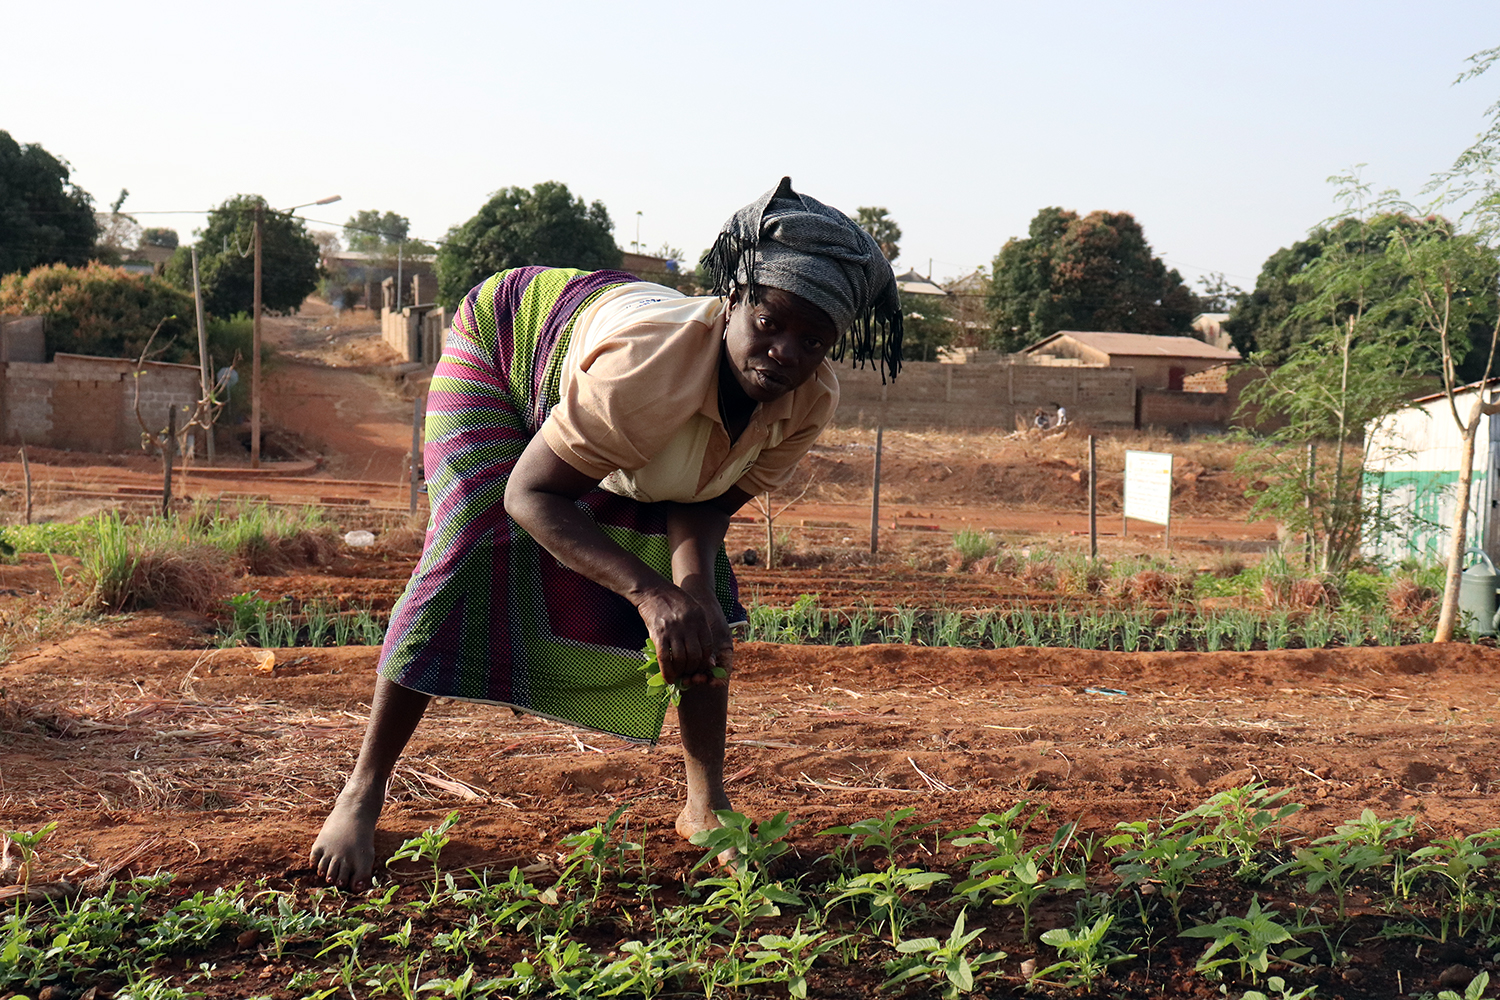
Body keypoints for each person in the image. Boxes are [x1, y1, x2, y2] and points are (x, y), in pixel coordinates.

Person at [310, 178, 903, 889]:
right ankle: (362, 789)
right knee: (474, 533)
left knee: (704, 604)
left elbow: (707, 500)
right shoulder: (646, 369)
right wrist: (651, 597)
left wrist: (687, 591)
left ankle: (706, 804)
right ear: (734, 301)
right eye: (770, 323)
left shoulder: (807, 402)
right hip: (510, 341)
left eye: (813, 340)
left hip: (614, 393)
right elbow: (531, 495)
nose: (785, 352)